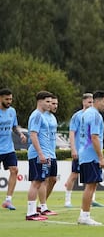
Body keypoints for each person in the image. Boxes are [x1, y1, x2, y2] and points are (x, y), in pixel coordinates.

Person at [77, 91, 104, 226]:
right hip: (91, 156)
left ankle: (84, 215)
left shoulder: (86, 114)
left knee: (91, 185)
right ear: (96, 101)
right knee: (91, 186)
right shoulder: (96, 116)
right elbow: (95, 137)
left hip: (85, 154)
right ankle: (84, 216)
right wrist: (101, 158)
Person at [25, 91, 55, 221]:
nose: (49, 104)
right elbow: (33, 135)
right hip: (38, 154)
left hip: (44, 153)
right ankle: (30, 212)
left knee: (40, 181)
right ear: (40, 101)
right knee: (36, 182)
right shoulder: (36, 115)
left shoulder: (42, 116)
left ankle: (35, 210)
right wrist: (41, 153)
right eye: (47, 101)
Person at [64, 93, 93, 208]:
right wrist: (73, 149)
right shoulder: (77, 116)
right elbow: (72, 132)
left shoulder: (94, 116)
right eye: (89, 102)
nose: (91, 104)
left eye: (92, 102)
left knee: (90, 176)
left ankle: (91, 199)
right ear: (83, 102)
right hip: (79, 151)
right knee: (74, 175)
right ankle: (67, 199)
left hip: (90, 151)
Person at [0, 88, 27, 211]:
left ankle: (8, 200)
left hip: (8, 148)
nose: (9, 101)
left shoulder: (12, 111)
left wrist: (20, 134)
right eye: (7, 99)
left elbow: (14, 126)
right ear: (0, 98)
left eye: (10, 99)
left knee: (14, 170)